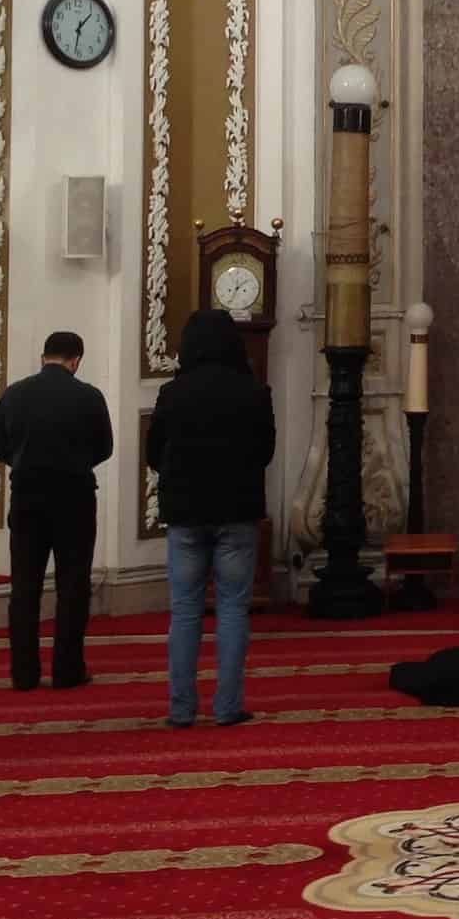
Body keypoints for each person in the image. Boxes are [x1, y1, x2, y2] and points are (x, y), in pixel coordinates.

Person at [148, 310, 275, 730]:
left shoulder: (171, 393)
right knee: (233, 609)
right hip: (237, 512)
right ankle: (227, 707)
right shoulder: (255, 392)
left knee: (184, 610)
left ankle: (181, 710)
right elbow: (265, 453)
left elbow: (154, 454)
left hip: (185, 514)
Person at [0, 330, 114, 692]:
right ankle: (67, 670)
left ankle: (24, 673)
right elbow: (104, 447)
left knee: (24, 587)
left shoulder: (13, 395)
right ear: (76, 360)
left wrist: (26, 463)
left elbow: (1, 447)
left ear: (44, 356)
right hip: (75, 499)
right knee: (73, 586)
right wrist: (75, 463)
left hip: (27, 498)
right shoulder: (89, 396)